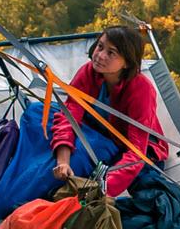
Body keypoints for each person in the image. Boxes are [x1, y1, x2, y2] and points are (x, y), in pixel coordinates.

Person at [49, 26, 169, 198]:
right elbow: (70, 113)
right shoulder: (89, 72)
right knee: (36, 112)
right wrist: (63, 160)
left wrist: (102, 190)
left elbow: (137, 152)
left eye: (111, 53)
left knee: (81, 160)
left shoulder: (141, 89)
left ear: (127, 62)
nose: (100, 56)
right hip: (97, 132)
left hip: (128, 147)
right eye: (100, 46)